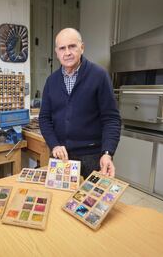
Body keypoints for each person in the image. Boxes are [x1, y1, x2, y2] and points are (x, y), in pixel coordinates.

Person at [39, 28, 121, 178]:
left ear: (82, 48)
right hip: (61, 157)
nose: (67, 52)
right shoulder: (51, 81)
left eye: (72, 46)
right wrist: (54, 144)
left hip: (93, 157)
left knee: (91, 200)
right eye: (62, 48)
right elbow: (44, 118)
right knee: (60, 199)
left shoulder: (99, 76)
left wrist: (107, 153)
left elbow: (111, 119)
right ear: (57, 52)